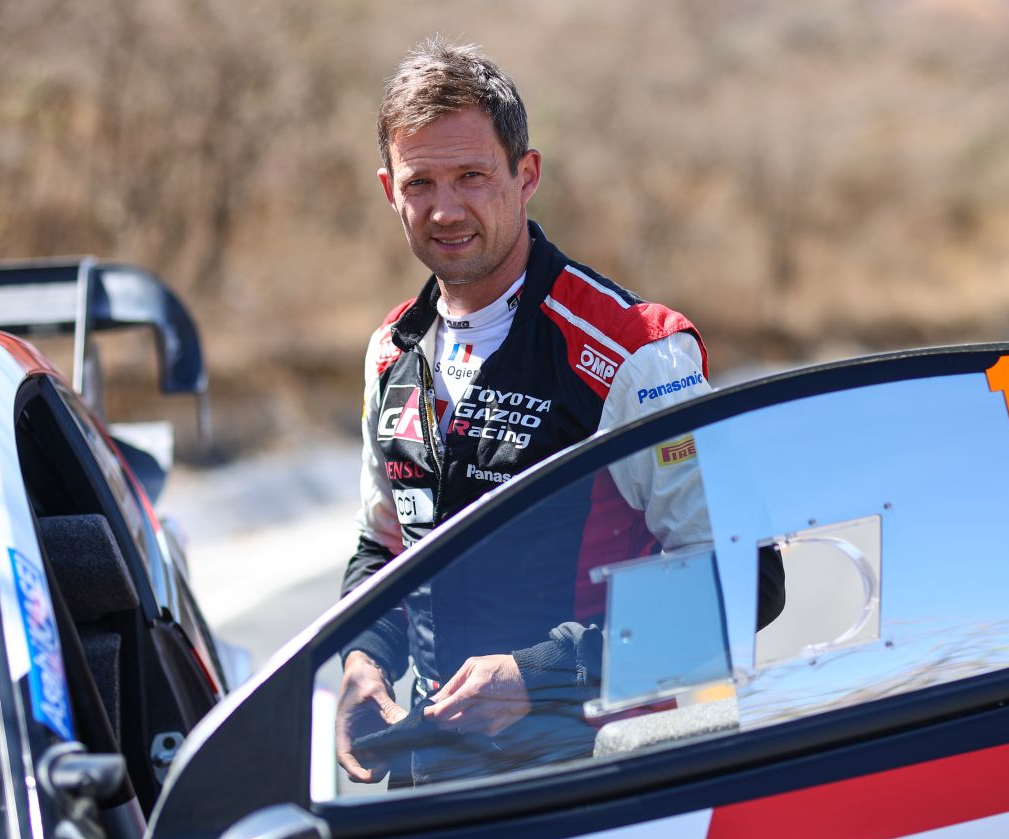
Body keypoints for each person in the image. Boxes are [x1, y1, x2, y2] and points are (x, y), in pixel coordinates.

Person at [335, 37, 782, 786]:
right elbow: (382, 551)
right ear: (389, 189)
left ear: (526, 175)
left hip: (599, 782)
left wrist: (538, 674)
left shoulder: (636, 353)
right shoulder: (391, 353)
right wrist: (363, 659)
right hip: (434, 784)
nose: (445, 209)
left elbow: (749, 583)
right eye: (421, 183)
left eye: (472, 176)